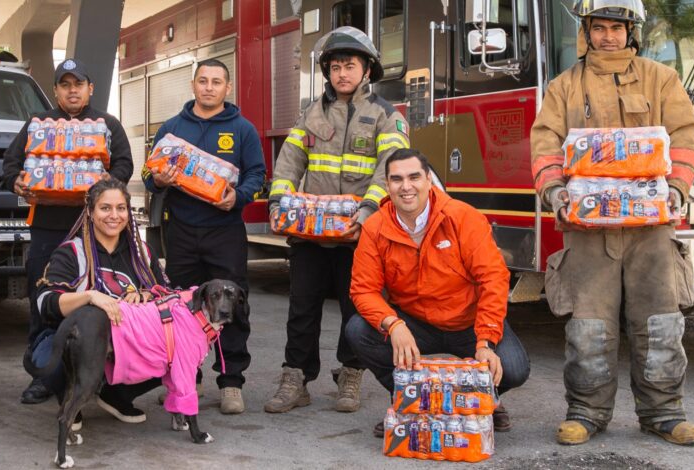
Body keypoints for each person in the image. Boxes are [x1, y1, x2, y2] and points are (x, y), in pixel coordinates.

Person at [529, 0, 694, 446]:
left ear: (632, 33)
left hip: (652, 230)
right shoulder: (563, 87)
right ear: (586, 32)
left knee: (661, 323)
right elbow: (546, 142)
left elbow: (684, 135)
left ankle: (665, 413)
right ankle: (586, 412)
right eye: (599, 28)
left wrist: (679, 188)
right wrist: (554, 190)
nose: (608, 36)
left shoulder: (661, 79)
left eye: (617, 28)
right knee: (589, 327)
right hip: (588, 232)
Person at [264, 26, 410, 414]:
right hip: (311, 235)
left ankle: (350, 374)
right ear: (327, 72)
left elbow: (390, 170)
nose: (342, 73)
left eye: (350, 65)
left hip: (362, 235)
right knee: (302, 307)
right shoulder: (310, 114)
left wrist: (367, 214)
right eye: (335, 66)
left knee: (357, 310)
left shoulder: (386, 116)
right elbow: (289, 164)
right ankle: (295, 377)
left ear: (367, 70)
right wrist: (279, 202)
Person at [345, 148, 530, 436]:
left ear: (429, 180)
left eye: (414, 177)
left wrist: (485, 341)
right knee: (358, 330)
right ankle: (411, 402)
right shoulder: (376, 228)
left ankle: (483, 398)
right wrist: (393, 324)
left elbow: (493, 278)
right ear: (387, 184)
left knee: (515, 368)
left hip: (468, 322)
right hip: (416, 325)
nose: (406, 187)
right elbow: (363, 290)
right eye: (396, 179)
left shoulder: (462, 217)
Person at [2, 58, 134, 405]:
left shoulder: (106, 124)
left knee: (98, 292)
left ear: (90, 88)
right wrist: (18, 182)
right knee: (43, 298)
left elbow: (124, 164)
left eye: (79, 84)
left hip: (96, 230)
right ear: (57, 90)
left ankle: (105, 372)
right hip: (48, 225)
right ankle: (44, 376)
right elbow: (11, 164)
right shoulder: (37, 123)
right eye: (65, 84)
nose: (72, 90)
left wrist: (106, 187)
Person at [142, 58, 265, 414]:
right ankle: (185, 380)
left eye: (216, 81)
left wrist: (238, 197)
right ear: (193, 85)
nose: (209, 87)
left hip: (225, 230)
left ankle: (230, 382)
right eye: (203, 81)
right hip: (180, 230)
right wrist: (158, 180)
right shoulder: (172, 127)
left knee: (232, 305)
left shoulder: (242, 129)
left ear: (228, 88)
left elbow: (257, 175)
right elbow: (150, 174)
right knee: (180, 307)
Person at [32, 178, 165, 426]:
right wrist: (91, 296)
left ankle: (116, 396)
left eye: (121, 208)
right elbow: (44, 302)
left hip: (126, 342)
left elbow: (168, 296)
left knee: (174, 349)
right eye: (105, 208)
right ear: (91, 212)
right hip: (78, 340)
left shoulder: (142, 252)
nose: (114, 215)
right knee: (46, 359)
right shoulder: (72, 251)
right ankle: (71, 399)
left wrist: (148, 296)